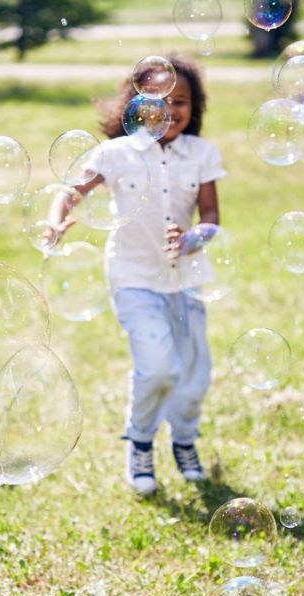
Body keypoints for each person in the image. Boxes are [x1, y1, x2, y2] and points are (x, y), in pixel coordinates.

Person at [46, 57, 225, 495]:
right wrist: (55, 220)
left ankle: (184, 441)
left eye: (180, 102)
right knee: (158, 366)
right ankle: (140, 441)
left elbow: (212, 215)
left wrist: (192, 237)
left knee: (194, 375)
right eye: (159, 102)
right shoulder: (114, 154)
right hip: (133, 277)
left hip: (185, 277)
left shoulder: (201, 154)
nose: (170, 110)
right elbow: (73, 190)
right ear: (135, 106)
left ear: (194, 107)